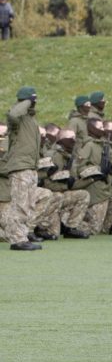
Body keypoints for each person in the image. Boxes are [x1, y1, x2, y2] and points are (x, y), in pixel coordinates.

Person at [3, 87, 43, 250]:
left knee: (28, 204)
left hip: (30, 166)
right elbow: (13, 114)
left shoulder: (30, 119)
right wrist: (27, 99)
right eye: (33, 100)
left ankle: (23, 235)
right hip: (20, 166)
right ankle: (17, 239)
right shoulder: (17, 117)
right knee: (19, 204)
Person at [73, 117, 112, 235]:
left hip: (105, 186)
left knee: (101, 227)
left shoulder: (105, 145)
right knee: (94, 229)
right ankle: (69, 223)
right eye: (100, 127)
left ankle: (108, 225)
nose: (103, 130)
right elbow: (79, 167)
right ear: (92, 129)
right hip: (94, 185)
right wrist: (97, 171)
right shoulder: (89, 145)